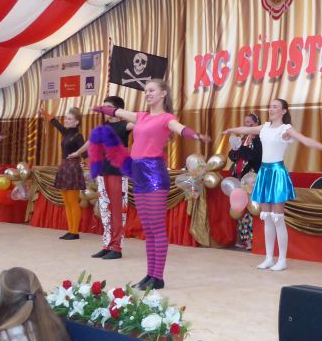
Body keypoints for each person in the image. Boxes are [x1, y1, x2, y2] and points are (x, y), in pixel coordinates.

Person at [88, 81, 211, 288]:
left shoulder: (166, 118)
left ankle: (158, 277)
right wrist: (100, 108)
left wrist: (196, 135)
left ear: (163, 93)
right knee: (148, 229)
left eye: (151, 90)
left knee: (157, 228)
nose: (147, 94)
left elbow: (180, 129)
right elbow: (118, 111)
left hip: (153, 173)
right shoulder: (141, 116)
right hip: (138, 172)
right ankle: (150, 275)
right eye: (145, 91)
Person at [222, 99, 322, 272]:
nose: (271, 109)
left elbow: (305, 140)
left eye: (275, 106)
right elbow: (245, 129)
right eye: (270, 106)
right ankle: (269, 257)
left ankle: (282, 259)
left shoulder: (285, 129)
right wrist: (230, 130)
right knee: (267, 217)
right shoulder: (264, 127)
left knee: (278, 218)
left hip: (277, 173)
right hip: (264, 173)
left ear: (283, 111)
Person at [70, 96, 132, 260]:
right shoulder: (103, 127)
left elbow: (140, 122)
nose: (104, 110)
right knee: (105, 210)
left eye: (108, 107)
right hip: (103, 172)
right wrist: (77, 153)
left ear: (117, 109)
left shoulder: (125, 125)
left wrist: (120, 113)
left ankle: (117, 247)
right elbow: (90, 142)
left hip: (118, 173)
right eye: (103, 107)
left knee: (117, 211)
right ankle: (107, 244)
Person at [40, 107, 85, 240]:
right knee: (67, 202)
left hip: (73, 168)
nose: (66, 120)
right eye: (66, 118)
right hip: (64, 167)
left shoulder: (78, 136)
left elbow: (86, 152)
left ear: (77, 122)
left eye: (69, 119)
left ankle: (75, 232)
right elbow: (56, 123)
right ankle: (70, 230)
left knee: (73, 201)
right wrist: (45, 113)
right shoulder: (66, 133)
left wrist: (89, 164)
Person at [228, 113, 263, 251]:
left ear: (256, 123)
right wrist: (234, 150)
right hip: (239, 177)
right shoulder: (244, 138)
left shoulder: (259, 139)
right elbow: (234, 157)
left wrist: (241, 149)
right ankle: (242, 238)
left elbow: (255, 157)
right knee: (241, 208)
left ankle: (251, 239)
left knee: (250, 208)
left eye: (249, 122)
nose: (246, 125)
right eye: (245, 122)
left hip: (251, 178)